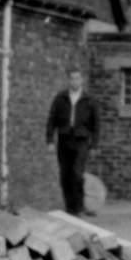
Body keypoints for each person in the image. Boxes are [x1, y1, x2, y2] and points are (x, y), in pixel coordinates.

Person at [46, 68, 99, 216]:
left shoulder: (89, 100)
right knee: (65, 175)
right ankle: (70, 207)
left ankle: (79, 206)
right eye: (72, 78)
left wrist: (94, 145)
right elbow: (51, 120)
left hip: (82, 140)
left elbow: (96, 125)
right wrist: (50, 140)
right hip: (64, 139)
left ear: (81, 80)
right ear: (68, 80)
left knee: (77, 173)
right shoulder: (60, 98)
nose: (74, 81)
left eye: (77, 78)